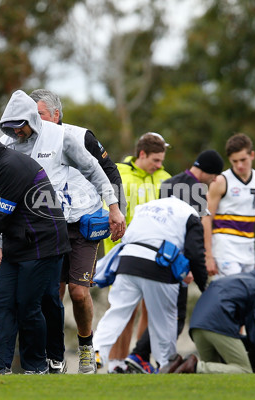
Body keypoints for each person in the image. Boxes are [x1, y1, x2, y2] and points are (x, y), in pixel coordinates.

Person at [0, 90, 125, 374]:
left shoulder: (80, 137)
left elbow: (108, 171)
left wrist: (117, 210)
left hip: (83, 222)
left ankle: (85, 347)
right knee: (49, 295)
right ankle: (51, 356)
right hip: (48, 227)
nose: (32, 122)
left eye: (39, 115)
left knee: (79, 293)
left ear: (56, 114)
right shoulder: (17, 140)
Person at [0, 123, 71, 375]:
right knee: (1, 302)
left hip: (43, 245)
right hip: (18, 247)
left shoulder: (11, 166)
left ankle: (36, 367)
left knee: (29, 306)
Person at [124, 150, 224, 374]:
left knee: (162, 315)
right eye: (215, 174)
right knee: (174, 318)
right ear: (206, 169)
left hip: (158, 255)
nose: (216, 180)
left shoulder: (169, 182)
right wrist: (196, 276)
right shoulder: (197, 190)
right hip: (177, 264)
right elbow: (192, 240)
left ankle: (143, 359)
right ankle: (141, 357)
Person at [92, 196, 208, 370]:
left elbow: (130, 236)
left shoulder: (147, 207)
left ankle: (96, 351)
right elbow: (195, 253)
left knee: (117, 312)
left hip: (128, 261)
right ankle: (166, 364)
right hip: (159, 266)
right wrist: (204, 286)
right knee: (165, 319)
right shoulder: (190, 214)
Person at [102, 131, 171, 373]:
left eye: (161, 160)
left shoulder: (166, 179)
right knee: (124, 311)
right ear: (142, 154)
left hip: (157, 258)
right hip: (123, 255)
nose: (159, 165)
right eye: (156, 160)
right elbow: (110, 217)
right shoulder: (119, 175)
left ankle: (138, 360)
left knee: (151, 310)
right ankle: (115, 363)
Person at [164, 256, 255, 374]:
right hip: (218, 325)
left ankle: (179, 364)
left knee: (216, 373)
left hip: (197, 326)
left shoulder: (233, 279)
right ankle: (195, 366)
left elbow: (252, 337)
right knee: (244, 370)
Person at [203, 133, 255, 277]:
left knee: (248, 294)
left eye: (243, 160)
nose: (239, 165)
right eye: (234, 161)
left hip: (248, 249)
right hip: (224, 248)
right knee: (233, 291)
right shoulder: (220, 181)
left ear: (252, 155)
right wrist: (208, 255)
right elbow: (206, 218)